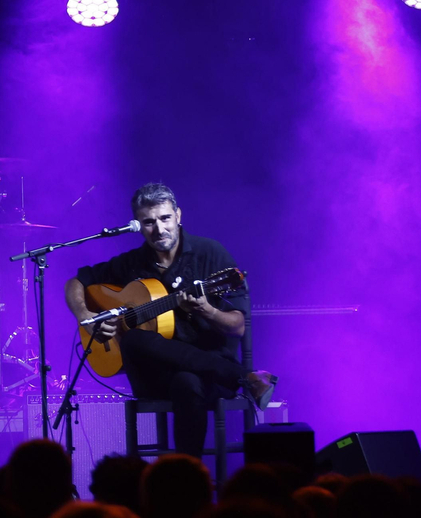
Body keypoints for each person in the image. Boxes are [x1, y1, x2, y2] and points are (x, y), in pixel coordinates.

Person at [64, 182, 276, 458]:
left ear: (178, 215)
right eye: (148, 222)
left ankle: (187, 481)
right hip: (154, 376)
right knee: (136, 339)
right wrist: (86, 317)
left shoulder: (210, 254)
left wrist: (206, 310)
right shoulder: (131, 263)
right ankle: (246, 379)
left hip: (209, 374)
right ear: (138, 225)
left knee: (187, 383)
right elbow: (75, 282)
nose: (159, 229)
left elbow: (237, 326)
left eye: (165, 218)